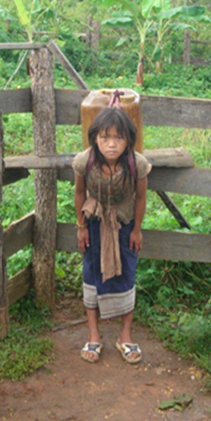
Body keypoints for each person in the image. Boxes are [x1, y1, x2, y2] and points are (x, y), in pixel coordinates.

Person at [72, 106, 152, 364]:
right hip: (94, 224)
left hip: (124, 225)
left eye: (118, 137)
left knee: (127, 274)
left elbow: (140, 197)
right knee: (91, 274)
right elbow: (79, 193)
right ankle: (94, 335)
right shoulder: (85, 161)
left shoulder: (136, 164)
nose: (111, 144)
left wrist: (137, 230)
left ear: (129, 139)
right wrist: (81, 226)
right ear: (95, 137)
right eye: (105, 137)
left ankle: (125, 336)